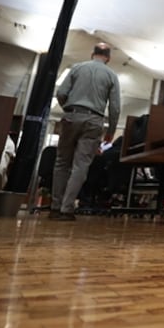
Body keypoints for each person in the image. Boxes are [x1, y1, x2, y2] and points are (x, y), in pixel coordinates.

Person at [49, 43, 122, 220]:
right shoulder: (112, 75)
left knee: (62, 162)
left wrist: (68, 108)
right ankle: (67, 209)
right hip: (94, 120)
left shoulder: (77, 68)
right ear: (108, 58)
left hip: (71, 116)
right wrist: (111, 130)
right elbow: (115, 107)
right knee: (80, 165)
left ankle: (55, 207)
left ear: (92, 54)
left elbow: (61, 92)